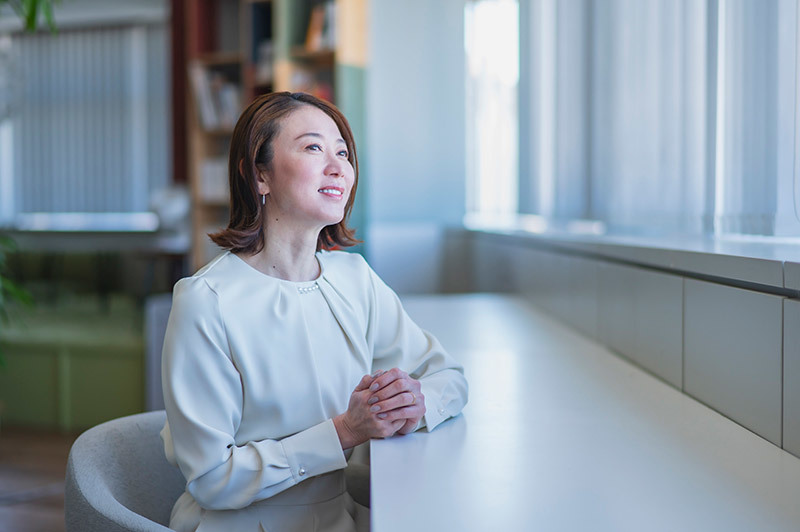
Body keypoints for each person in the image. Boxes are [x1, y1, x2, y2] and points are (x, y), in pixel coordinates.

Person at [160, 91, 468, 532]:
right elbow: (212, 480)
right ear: (259, 174)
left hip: (340, 518)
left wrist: (413, 406)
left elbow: (449, 377)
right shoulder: (204, 301)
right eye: (313, 147)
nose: (338, 165)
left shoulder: (355, 278)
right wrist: (344, 431)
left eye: (343, 151)